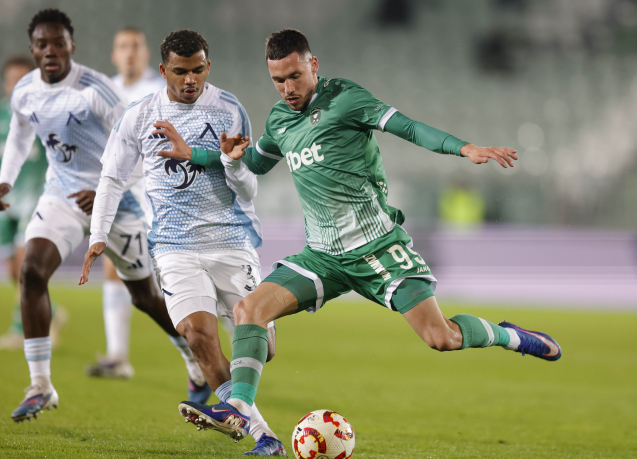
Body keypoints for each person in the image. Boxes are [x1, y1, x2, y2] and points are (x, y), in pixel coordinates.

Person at [158, 29, 562, 441]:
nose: (288, 88)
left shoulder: (345, 99)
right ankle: (239, 410)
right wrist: (202, 154)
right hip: (322, 257)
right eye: (278, 80)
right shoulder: (280, 120)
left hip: (377, 249)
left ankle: (511, 336)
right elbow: (256, 164)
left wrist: (464, 148)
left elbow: (409, 128)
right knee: (249, 310)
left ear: (313, 65)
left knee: (441, 338)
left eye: (295, 76)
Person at [79, 29, 286, 457]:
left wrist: (231, 163)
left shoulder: (229, 109)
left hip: (231, 241)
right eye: (180, 72)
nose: (190, 80)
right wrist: (99, 235)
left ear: (208, 67)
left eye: (198, 70)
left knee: (260, 344)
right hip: (174, 247)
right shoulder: (139, 115)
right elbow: (112, 178)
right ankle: (264, 436)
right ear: (163, 70)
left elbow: (248, 188)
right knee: (197, 334)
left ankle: (246, 379)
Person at [0, 9, 205, 423]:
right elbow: (20, 135)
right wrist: (6, 179)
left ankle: (193, 358)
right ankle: (41, 385)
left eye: (58, 43)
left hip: (116, 203)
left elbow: (145, 150)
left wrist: (107, 191)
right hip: (61, 195)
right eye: (42, 44)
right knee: (32, 271)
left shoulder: (96, 91)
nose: (50, 51)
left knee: (145, 297)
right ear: (33, 49)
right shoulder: (25, 90)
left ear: (71, 46)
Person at [83, 27, 165, 380]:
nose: (129, 52)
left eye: (135, 46)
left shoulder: (161, 91)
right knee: (113, 267)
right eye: (122, 47)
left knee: (176, 274)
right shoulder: (104, 91)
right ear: (114, 55)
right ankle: (118, 356)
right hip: (123, 195)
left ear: (145, 54)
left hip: (158, 197)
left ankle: (216, 341)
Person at [0, 55, 67, 350]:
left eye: (23, 80)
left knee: (25, 265)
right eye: (12, 80)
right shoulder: (1, 115)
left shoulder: (49, 117)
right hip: (7, 203)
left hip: (36, 200)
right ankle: (52, 312)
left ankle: (22, 329)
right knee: (13, 271)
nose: (17, 86)